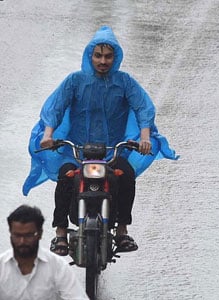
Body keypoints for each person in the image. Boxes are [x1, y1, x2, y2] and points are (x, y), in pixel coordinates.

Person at [23, 26, 179, 255]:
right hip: (75, 152)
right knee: (65, 178)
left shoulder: (124, 82)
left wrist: (144, 138)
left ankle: (122, 230)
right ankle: (60, 233)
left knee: (126, 175)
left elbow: (143, 107)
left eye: (108, 56)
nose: (103, 61)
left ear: (116, 58)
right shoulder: (75, 81)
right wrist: (48, 135)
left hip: (113, 152)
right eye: (98, 55)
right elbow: (55, 107)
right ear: (90, 56)